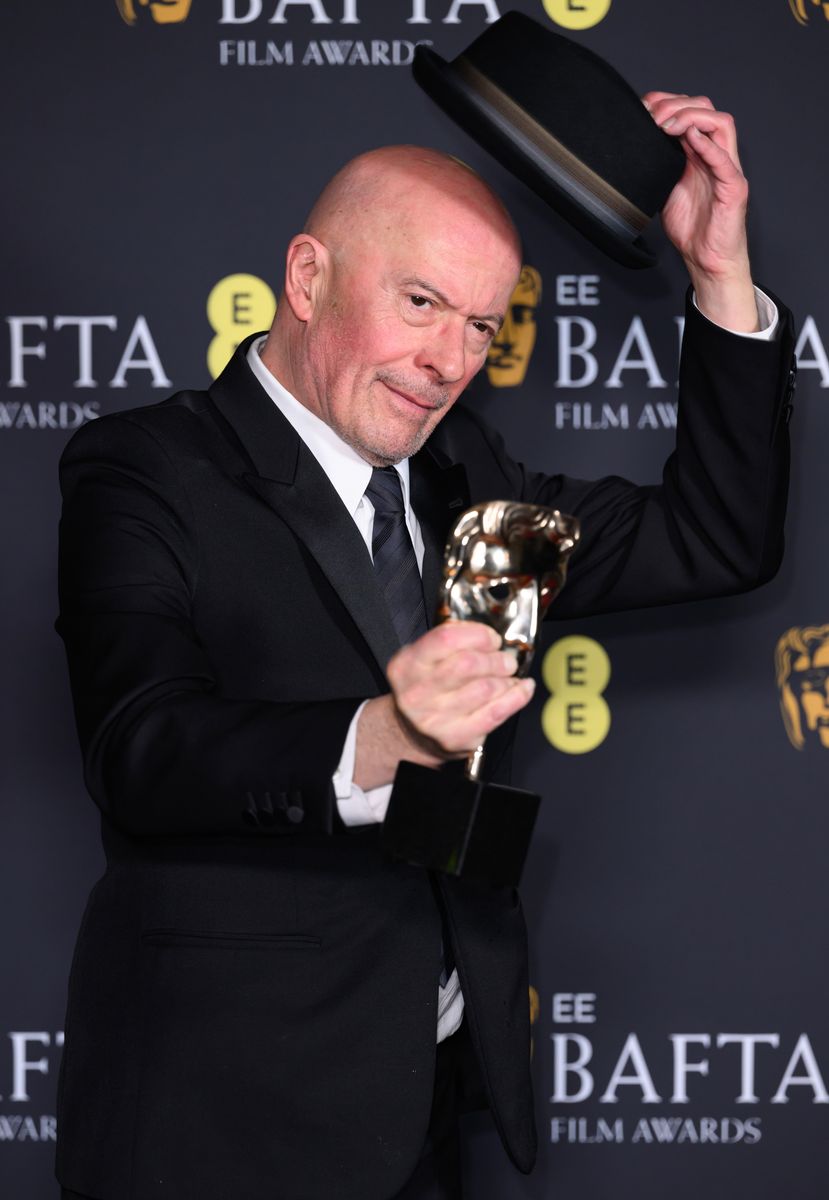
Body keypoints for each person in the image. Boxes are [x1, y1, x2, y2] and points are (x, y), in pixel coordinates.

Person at [55, 92, 795, 1200]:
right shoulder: (147, 470)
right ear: (307, 280)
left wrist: (717, 274)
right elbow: (140, 747)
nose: (449, 360)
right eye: (419, 304)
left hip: (429, 1104)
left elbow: (715, 538)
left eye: (481, 327)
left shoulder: (475, 488)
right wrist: (384, 734)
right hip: (219, 1117)